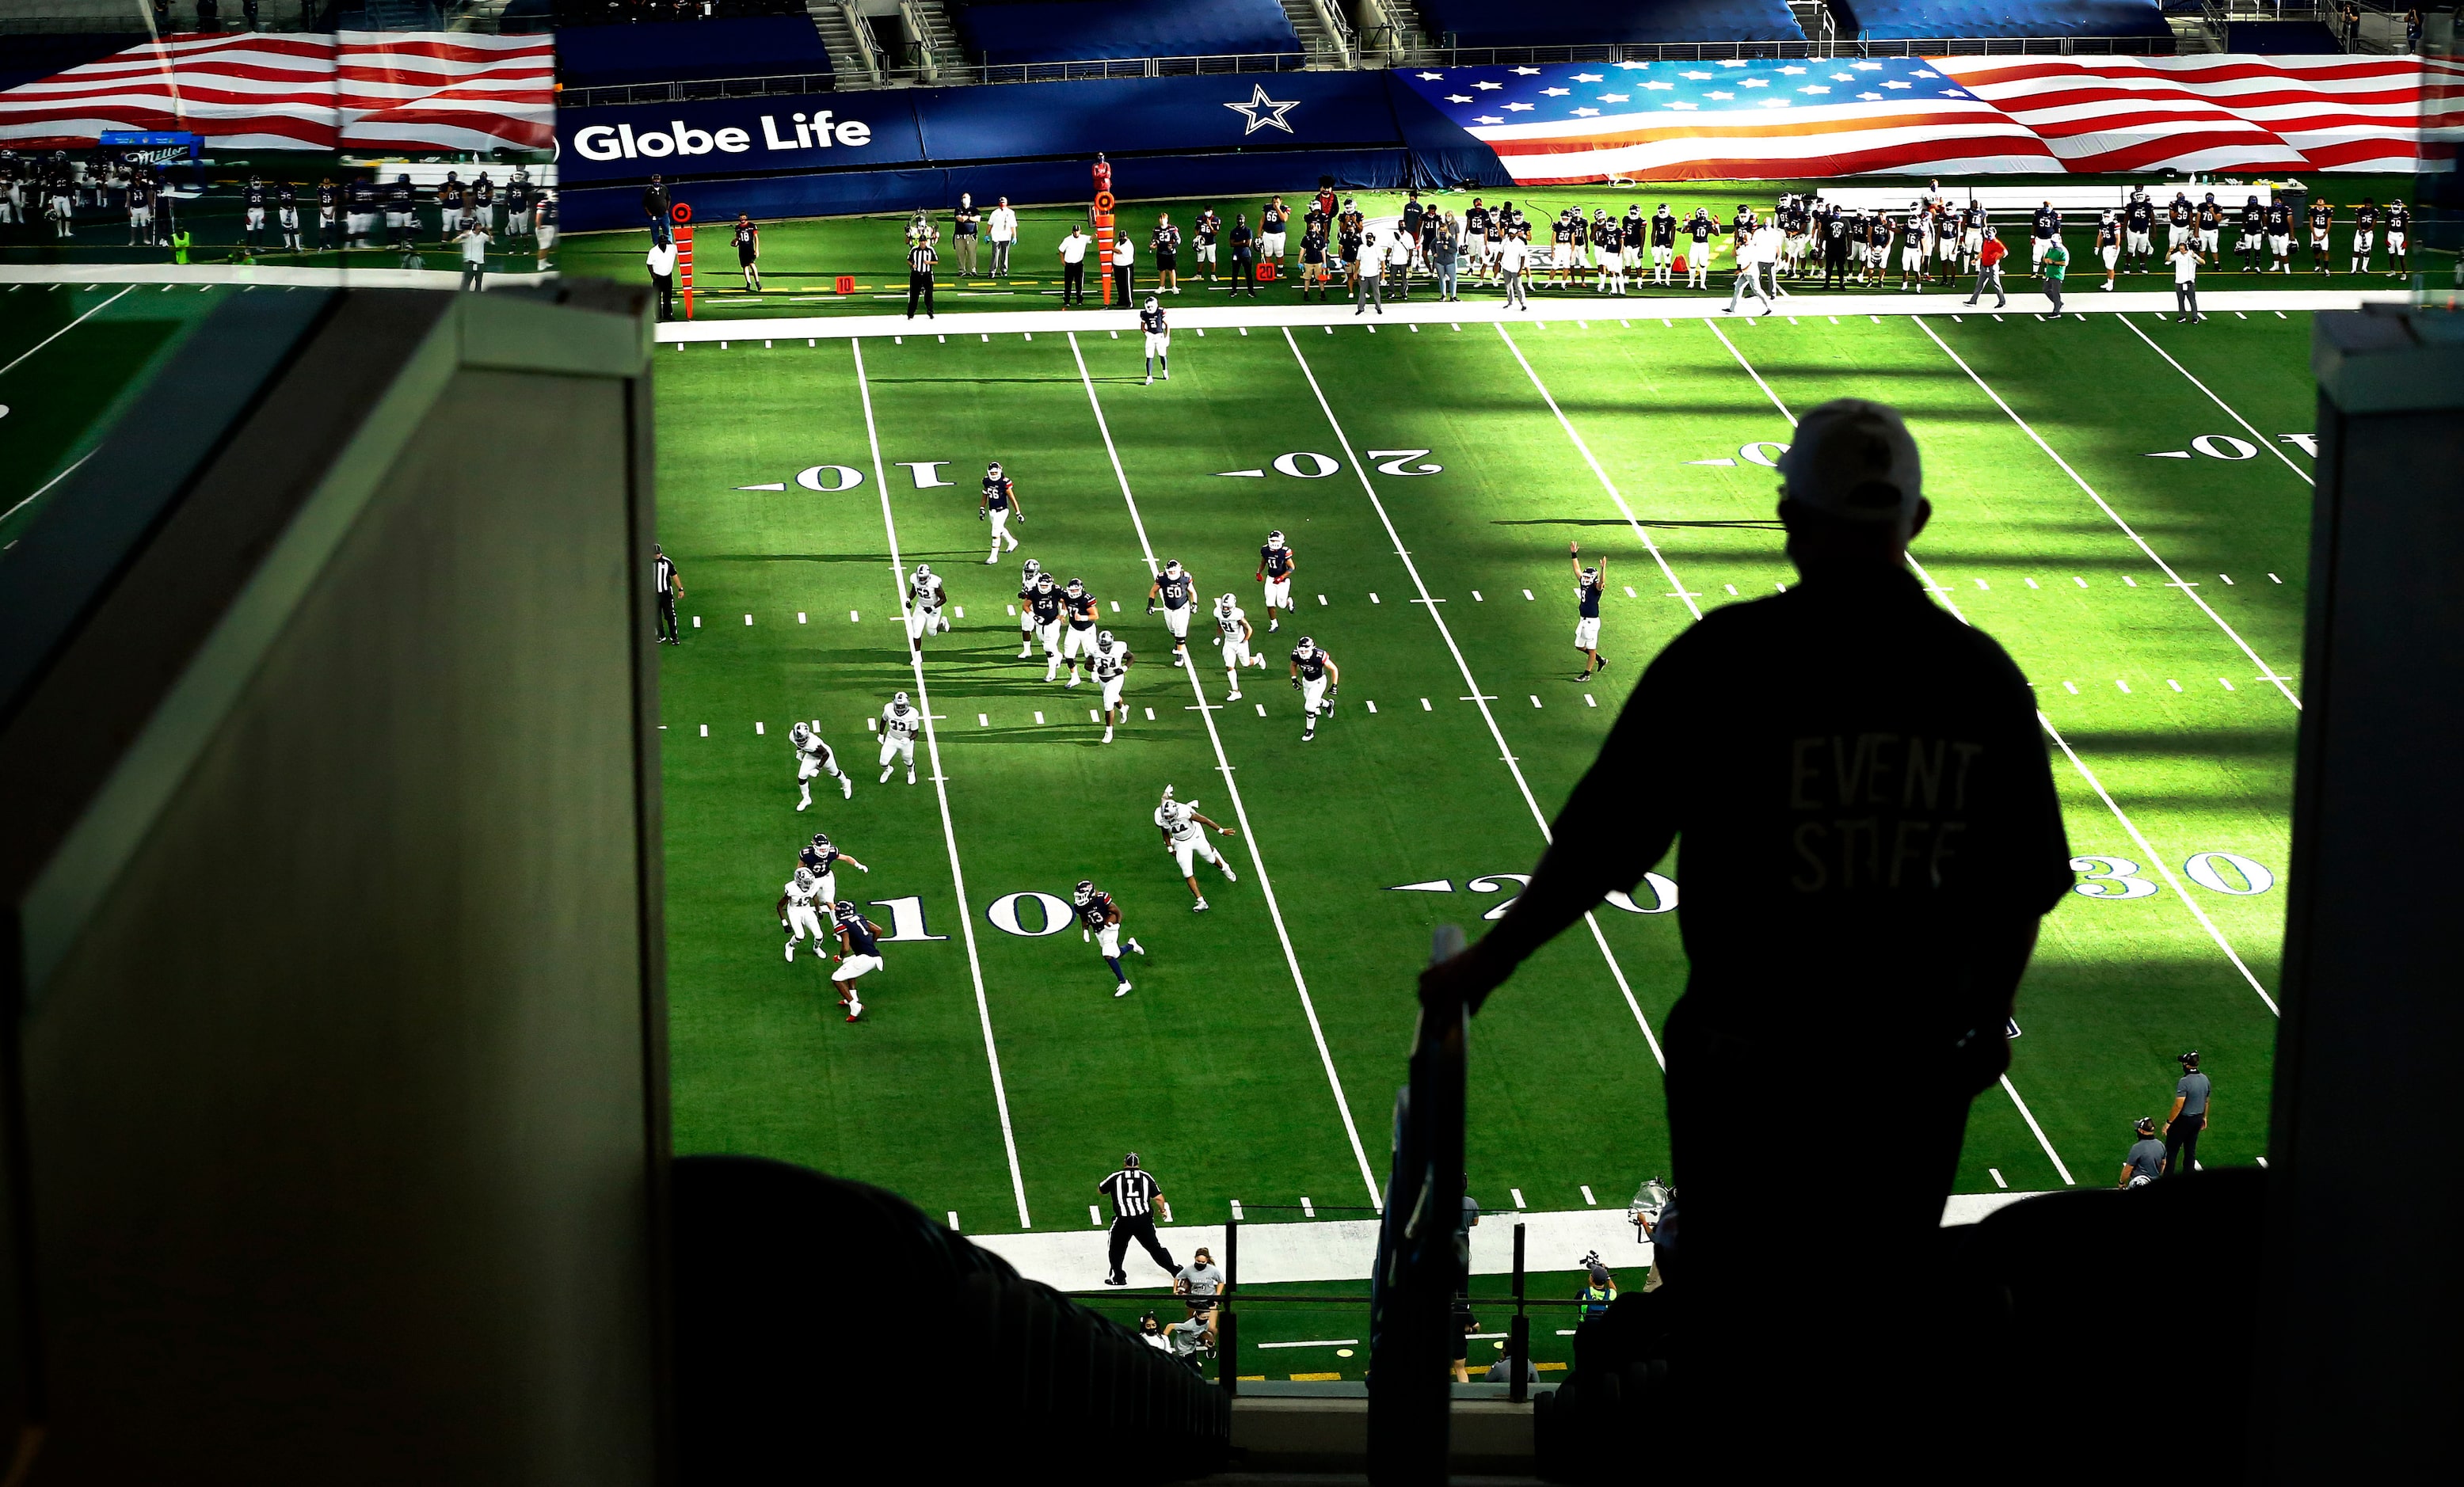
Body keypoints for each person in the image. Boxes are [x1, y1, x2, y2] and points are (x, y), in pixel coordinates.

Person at [1418, 397, 2073, 1459]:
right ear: (1917, 521)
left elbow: (1603, 838)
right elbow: (2026, 882)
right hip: (1902, 1081)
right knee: (1870, 1342)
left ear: (1787, 518)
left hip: (1747, 1074)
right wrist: (1977, 1027)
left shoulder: (1727, 658)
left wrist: (1489, 960)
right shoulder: (1976, 679)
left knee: (1734, 1349)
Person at [1153, 783, 1238, 911]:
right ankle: (1201, 901)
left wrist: (1221, 831)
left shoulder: (1184, 811)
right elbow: (1164, 830)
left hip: (1195, 835)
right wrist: (1170, 847)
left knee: (1210, 859)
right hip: (1181, 843)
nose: (1168, 818)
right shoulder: (1160, 815)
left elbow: (1204, 820)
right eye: (1167, 817)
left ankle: (1225, 867)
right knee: (1187, 872)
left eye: (1170, 816)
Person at [1099, 1153, 1177, 1287]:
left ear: (1125, 1163)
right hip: (1143, 1220)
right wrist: (1163, 1210)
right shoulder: (1146, 1177)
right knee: (1155, 1248)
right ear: (1138, 1164)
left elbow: (1101, 1190)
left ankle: (1118, 1277)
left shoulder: (1116, 1177)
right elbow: (1159, 1198)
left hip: (1123, 1220)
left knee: (1116, 1249)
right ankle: (1175, 1271)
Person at [1073, 879, 1144, 994]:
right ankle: (1132, 945)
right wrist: (1085, 930)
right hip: (1098, 931)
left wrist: (1117, 925)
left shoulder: (1102, 899)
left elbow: (1117, 912)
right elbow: (1084, 918)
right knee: (1115, 954)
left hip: (1109, 929)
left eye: (1082, 896)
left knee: (1107, 954)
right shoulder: (1080, 906)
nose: (1079, 899)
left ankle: (1124, 983)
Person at [828, 900, 883, 1022]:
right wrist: (870, 944)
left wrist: (839, 956)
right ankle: (852, 996)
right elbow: (878, 930)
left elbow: (845, 947)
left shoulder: (842, 925)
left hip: (866, 958)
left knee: (836, 978)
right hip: (872, 955)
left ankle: (854, 1006)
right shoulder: (859, 918)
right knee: (847, 963)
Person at [2163, 1051, 2211, 1177]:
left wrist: (2169, 1123)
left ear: (2187, 1065)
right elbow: (2206, 1100)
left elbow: (2179, 1105)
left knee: (2172, 1151)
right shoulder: (2205, 1079)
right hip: (2198, 1119)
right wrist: (2204, 1117)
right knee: (2190, 1150)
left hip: (2184, 1120)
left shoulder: (2184, 1081)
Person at [1289, 635, 1339, 743]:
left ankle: (1309, 732)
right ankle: (1328, 705)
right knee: (1314, 703)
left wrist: (1334, 685)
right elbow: (1293, 665)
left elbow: (1334, 669)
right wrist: (1294, 678)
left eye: (1305, 651)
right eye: (1301, 651)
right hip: (1306, 681)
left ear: (1311, 648)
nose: (1303, 653)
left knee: (1310, 707)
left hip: (1319, 682)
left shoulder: (1319, 656)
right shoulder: (1296, 654)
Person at [1570, 542, 1608, 680]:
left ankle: (1587, 674)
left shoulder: (1596, 587)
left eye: (1587, 577)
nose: (1584, 578)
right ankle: (1601, 659)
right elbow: (1577, 570)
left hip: (1592, 622)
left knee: (1591, 648)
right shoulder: (1584, 582)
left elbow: (1602, 583)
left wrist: (1603, 568)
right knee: (1579, 646)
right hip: (1583, 620)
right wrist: (1574, 554)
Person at [980, 460, 1022, 563]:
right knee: (1000, 529)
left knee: (995, 532)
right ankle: (1012, 542)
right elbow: (985, 495)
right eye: (992, 473)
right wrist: (982, 508)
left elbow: (1012, 498)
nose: (994, 475)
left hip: (1002, 510)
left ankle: (993, 557)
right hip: (992, 511)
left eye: (995, 472)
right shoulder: (987, 481)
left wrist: (1018, 513)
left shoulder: (1004, 483)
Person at [1175, 1247, 1226, 1323]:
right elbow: (1178, 1277)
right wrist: (1175, 1290)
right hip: (1193, 1300)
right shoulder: (1188, 1269)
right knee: (1190, 1323)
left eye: (1203, 1262)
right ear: (1195, 1258)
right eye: (1198, 1261)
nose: (1200, 1264)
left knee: (1211, 1327)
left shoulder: (1212, 1269)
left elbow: (1221, 1281)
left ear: (1207, 1260)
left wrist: (1217, 1295)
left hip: (1209, 1300)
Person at [2120, 1117, 2167, 1188]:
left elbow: (2128, 1169)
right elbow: (2163, 1164)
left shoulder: (2137, 1148)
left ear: (2141, 1131)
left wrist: (2121, 1182)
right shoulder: (2160, 1145)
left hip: (2139, 1182)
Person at [653, 543, 683, 645]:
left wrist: (680, 589)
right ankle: (661, 635)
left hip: (666, 595)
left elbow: (674, 575)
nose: (657, 555)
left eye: (659, 553)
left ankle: (674, 637)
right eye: (655, 554)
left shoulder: (667, 562)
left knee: (670, 615)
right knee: (656, 616)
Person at [2170, 234, 2204, 323]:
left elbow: (2203, 262)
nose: (2181, 250)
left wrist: (2195, 258)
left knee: (2192, 300)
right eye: (2180, 248)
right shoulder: (2178, 255)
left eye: (2182, 248)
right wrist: (2169, 252)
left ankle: (2195, 317)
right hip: (2179, 282)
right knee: (2180, 300)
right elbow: (2168, 259)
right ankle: (2182, 316)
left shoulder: (2192, 255)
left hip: (2189, 282)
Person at [1353, 227, 1384, 315]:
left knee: (1376, 292)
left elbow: (1382, 261)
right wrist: (1356, 271)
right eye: (1367, 237)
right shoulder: (1362, 247)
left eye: (1370, 238)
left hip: (1374, 274)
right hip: (1364, 273)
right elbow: (1358, 260)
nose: (1368, 239)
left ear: (1373, 238)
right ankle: (1360, 308)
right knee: (1362, 292)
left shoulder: (1377, 248)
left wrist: (1383, 274)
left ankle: (1378, 307)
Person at [1139, 295, 1170, 385]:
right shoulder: (1144, 314)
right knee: (1149, 357)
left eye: (1152, 306)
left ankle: (1165, 371)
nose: (1150, 308)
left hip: (1160, 336)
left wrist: (1167, 337)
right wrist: (1146, 333)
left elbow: (1167, 325)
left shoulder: (1160, 312)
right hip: (1150, 337)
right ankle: (1149, 377)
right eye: (1148, 307)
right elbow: (1142, 327)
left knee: (1162, 355)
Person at [1058, 222, 1091, 305]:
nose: (1076, 233)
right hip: (1069, 265)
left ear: (1080, 231)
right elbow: (1061, 250)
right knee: (1068, 284)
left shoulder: (1083, 238)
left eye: (1077, 231)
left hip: (1078, 264)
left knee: (1079, 283)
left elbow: (1091, 238)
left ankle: (1079, 300)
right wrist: (1062, 260)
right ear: (1072, 232)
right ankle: (1067, 300)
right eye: (1075, 231)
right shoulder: (1068, 239)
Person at [646, 234, 677, 321]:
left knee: (668, 297)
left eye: (665, 242)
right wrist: (653, 275)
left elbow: (682, 249)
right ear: (659, 243)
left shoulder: (672, 248)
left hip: (668, 276)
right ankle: (658, 316)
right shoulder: (653, 251)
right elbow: (649, 264)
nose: (664, 244)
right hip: (658, 278)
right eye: (662, 242)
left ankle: (668, 315)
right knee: (657, 297)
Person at [905, 232, 936, 320]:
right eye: (921, 241)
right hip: (916, 275)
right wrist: (912, 265)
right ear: (919, 242)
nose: (922, 243)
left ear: (926, 241)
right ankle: (910, 314)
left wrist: (928, 263)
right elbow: (908, 260)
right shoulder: (914, 250)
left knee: (929, 294)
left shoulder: (930, 250)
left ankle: (930, 311)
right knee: (914, 295)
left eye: (924, 241)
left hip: (927, 274)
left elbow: (936, 261)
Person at [1499, 225, 1531, 311]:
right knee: (1508, 286)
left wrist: (1521, 269)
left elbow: (1523, 256)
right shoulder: (1505, 241)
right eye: (1510, 233)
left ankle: (1523, 303)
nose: (1511, 235)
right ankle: (1510, 302)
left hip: (1515, 268)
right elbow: (1501, 252)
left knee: (1518, 286)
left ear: (1516, 234)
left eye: (1513, 234)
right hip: (1506, 266)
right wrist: (1496, 263)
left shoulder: (1520, 243)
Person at [455, 219, 490, 292]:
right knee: (466, 284)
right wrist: (463, 236)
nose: (479, 230)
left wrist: (489, 232)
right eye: (478, 229)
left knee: (478, 284)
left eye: (480, 229)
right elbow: (454, 241)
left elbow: (491, 240)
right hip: (469, 263)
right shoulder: (467, 235)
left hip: (480, 263)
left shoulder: (482, 235)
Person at [1151, 211, 1180, 295]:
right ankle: (1162, 286)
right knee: (1162, 270)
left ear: (1167, 219)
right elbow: (1154, 240)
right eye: (1160, 218)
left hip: (1170, 253)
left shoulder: (1172, 229)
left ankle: (1174, 286)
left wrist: (1173, 245)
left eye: (1163, 218)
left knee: (1172, 269)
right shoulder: (1157, 229)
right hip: (1161, 252)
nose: (1162, 220)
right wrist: (1153, 245)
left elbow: (1178, 240)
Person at [988, 195, 1018, 277]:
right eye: (1001, 202)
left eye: (1003, 202)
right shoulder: (995, 213)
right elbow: (990, 224)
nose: (1002, 203)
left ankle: (1004, 270)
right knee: (995, 254)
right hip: (996, 236)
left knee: (1005, 254)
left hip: (1006, 236)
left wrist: (1014, 236)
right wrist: (987, 235)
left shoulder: (1011, 213)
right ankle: (992, 271)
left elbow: (1013, 225)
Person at [2040, 230, 2068, 315]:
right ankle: (2059, 303)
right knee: (2046, 290)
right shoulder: (2050, 249)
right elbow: (2044, 258)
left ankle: (2057, 311)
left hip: (2057, 275)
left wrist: (2054, 262)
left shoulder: (2063, 251)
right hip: (2049, 274)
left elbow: (2065, 263)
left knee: (2056, 293)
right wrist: (2046, 260)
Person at [950, 192, 978, 276]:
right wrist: (966, 218)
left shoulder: (974, 209)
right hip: (960, 236)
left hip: (971, 236)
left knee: (972, 253)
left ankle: (973, 270)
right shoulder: (958, 209)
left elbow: (978, 218)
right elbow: (960, 219)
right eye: (963, 198)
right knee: (960, 254)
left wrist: (969, 218)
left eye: (966, 198)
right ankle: (962, 270)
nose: (965, 200)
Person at [733, 212, 760, 292]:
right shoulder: (738, 228)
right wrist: (735, 242)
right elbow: (738, 238)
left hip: (750, 248)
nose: (742, 219)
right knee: (745, 266)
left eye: (744, 218)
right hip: (742, 249)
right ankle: (748, 283)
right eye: (741, 218)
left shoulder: (751, 226)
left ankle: (757, 282)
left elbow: (756, 238)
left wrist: (757, 249)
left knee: (752, 264)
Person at [1111, 230, 1137, 307]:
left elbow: (1119, 252)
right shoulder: (1118, 243)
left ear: (1126, 237)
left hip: (1126, 267)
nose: (1122, 238)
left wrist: (1109, 247)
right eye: (1121, 237)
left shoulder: (1128, 245)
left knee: (1127, 286)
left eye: (1123, 237)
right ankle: (1121, 300)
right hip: (1117, 267)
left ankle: (1129, 302)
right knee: (1120, 285)